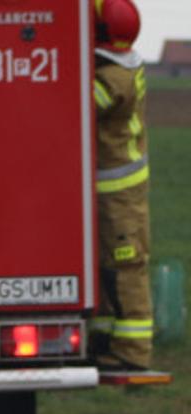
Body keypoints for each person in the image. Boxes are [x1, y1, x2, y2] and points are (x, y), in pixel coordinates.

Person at [91, 0, 152, 369]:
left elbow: (79, 105)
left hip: (119, 194)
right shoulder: (122, 65)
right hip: (112, 191)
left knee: (126, 267)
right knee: (106, 264)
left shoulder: (114, 79)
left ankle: (133, 354)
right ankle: (104, 341)